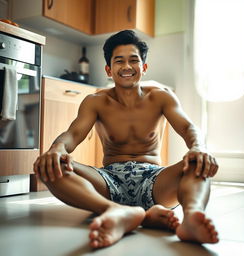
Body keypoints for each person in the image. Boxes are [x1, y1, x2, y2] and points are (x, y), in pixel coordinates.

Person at [33, 30, 219, 249]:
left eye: (134, 60)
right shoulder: (96, 101)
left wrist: (198, 146)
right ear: (109, 70)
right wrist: (57, 149)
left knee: (198, 162)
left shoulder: (161, 96)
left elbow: (188, 127)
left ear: (144, 67)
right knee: (48, 166)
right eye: (119, 61)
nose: (127, 67)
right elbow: (73, 134)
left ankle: (191, 217)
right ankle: (116, 210)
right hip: (108, 181)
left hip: (155, 180)